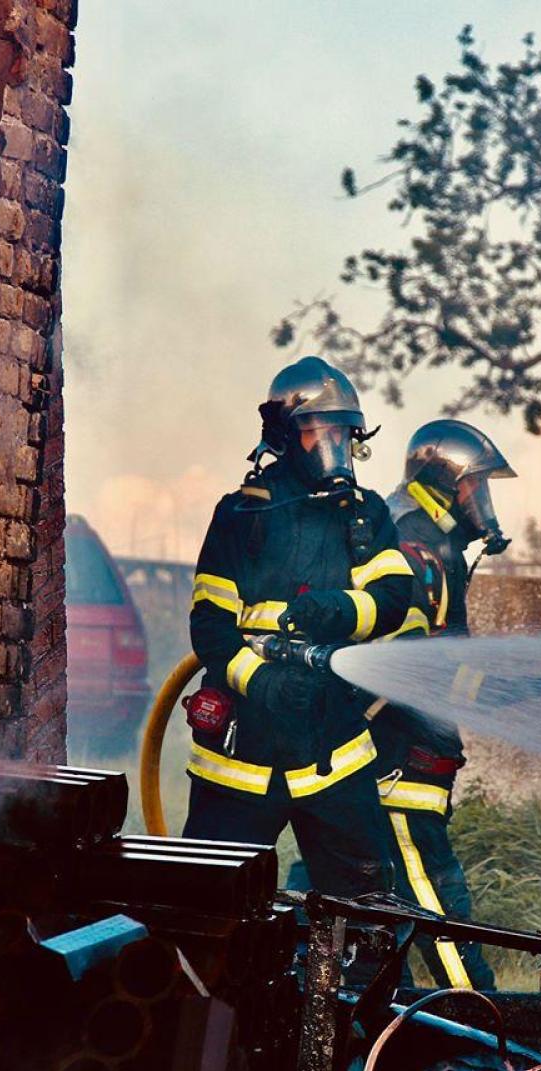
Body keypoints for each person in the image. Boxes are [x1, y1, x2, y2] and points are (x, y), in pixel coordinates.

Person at [183, 356, 414, 899]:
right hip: (239, 761)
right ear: (285, 434)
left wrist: (340, 608)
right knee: (209, 912)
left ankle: (351, 987)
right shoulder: (242, 514)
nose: (333, 445)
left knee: (369, 915)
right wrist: (262, 682)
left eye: (342, 432)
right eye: (318, 431)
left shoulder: (366, 516)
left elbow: (394, 598)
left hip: (334, 751)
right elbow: (211, 627)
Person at [370, 418, 516, 990]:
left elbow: (444, 651)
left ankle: (377, 1007)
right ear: (445, 478)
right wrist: (494, 694)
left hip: (408, 748)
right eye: (474, 485)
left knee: (362, 890)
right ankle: (477, 1009)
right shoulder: (414, 541)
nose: (482, 498)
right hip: (402, 753)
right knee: (433, 889)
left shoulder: (432, 537)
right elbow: (409, 664)